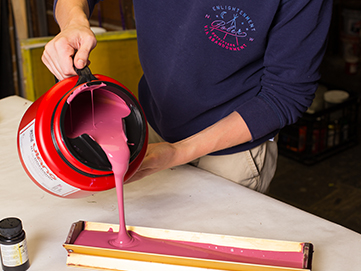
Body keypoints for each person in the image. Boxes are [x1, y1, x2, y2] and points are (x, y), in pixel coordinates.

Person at [42, 0, 333, 193]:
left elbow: (286, 93)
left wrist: (179, 152)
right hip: (151, 124)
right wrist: (73, 21)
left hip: (231, 153)